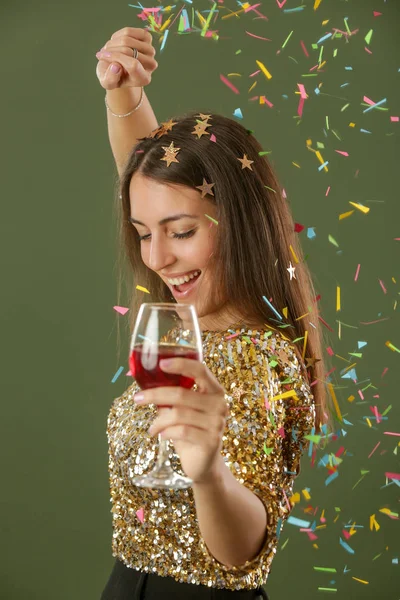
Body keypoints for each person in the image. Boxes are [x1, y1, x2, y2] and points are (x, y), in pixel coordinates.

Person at [96, 27, 332, 600]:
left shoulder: (259, 357)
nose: (157, 257)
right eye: (142, 233)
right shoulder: (193, 315)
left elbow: (243, 553)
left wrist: (208, 473)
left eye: (179, 233)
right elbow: (156, 183)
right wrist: (123, 94)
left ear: (239, 223)